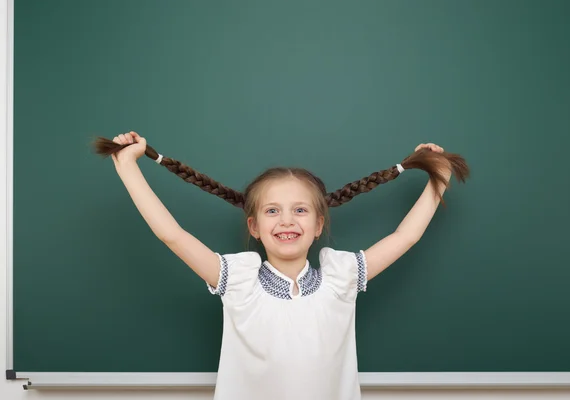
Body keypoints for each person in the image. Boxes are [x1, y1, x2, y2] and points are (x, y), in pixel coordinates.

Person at [94, 131, 469, 400]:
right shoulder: (237, 280)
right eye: (273, 211)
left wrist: (439, 175)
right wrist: (128, 166)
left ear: (319, 225)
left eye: (300, 210)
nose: (287, 221)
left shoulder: (342, 277)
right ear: (254, 227)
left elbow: (405, 237)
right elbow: (172, 235)